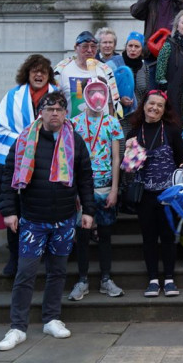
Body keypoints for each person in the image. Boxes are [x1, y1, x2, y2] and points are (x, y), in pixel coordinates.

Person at [0, 92, 94, 351]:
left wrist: (88, 210)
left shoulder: (75, 140)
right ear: (41, 112)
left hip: (63, 220)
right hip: (32, 220)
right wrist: (9, 211)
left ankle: (51, 318)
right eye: (50, 109)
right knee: (25, 273)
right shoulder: (25, 140)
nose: (55, 114)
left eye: (60, 109)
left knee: (58, 272)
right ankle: (17, 326)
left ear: (65, 113)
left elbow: (85, 177)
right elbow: (8, 178)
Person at [0, 54, 58, 277]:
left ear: (48, 76)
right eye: (34, 71)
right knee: (15, 211)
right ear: (27, 73)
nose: (38, 75)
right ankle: (15, 257)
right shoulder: (13, 97)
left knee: (45, 212)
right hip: (16, 165)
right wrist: (24, 143)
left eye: (43, 71)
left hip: (48, 165)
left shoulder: (58, 98)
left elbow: (67, 127)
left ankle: (44, 256)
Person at [125, 90, 183, 295]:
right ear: (143, 105)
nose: (154, 108)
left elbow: (182, 157)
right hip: (144, 195)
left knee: (168, 237)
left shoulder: (171, 130)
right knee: (149, 237)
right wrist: (130, 152)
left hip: (168, 195)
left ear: (164, 110)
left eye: (159, 105)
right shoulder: (134, 132)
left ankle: (169, 279)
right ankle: (153, 279)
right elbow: (129, 168)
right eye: (151, 104)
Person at [68, 80, 125, 301]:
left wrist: (114, 189)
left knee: (106, 234)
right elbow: (71, 159)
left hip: (104, 187)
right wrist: (74, 192)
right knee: (82, 235)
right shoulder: (73, 123)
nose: (97, 96)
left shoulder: (112, 122)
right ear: (85, 95)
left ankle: (106, 279)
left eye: (102, 91)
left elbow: (116, 157)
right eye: (93, 92)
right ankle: (82, 280)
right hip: (83, 189)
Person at [55, 30, 122, 119]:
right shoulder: (62, 70)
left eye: (93, 47)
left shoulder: (105, 70)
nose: (89, 50)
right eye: (85, 46)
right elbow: (55, 101)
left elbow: (110, 103)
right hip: (72, 128)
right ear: (76, 48)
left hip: (100, 128)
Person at [121, 32, 149, 112]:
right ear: (126, 47)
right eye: (130, 46)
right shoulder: (118, 64)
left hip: (137, 116)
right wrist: (120, 100)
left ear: (142, 49)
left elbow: (146, 93)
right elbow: (109, 91)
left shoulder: (145, 67)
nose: (133, 49)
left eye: (137, 46)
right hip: (119, 116)